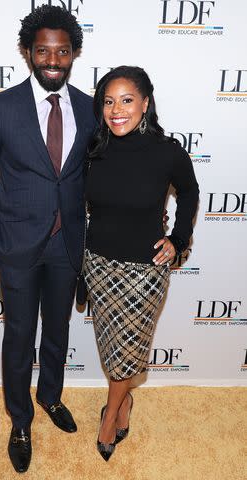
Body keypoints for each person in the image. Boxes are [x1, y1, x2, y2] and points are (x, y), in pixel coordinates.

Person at [0, 5, 96, 473]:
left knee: (58, 332)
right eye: (43, 50)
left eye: (63, 50)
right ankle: (20, 420)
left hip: (68, 246)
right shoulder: (1, 107)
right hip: (16, 246)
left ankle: (51, 397)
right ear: (28, 52)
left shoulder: (88, 106)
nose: (53, 59)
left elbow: (95, 176)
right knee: (20, 337)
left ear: (74, 52)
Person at [84, 66, 199, 461]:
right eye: (109, 101)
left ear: (145, 103)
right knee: (111, 346)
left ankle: (111, 412)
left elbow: (190, 190)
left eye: (127, 100)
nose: (117, 110)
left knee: (127, 351)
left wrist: (179, 239)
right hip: (97, 264)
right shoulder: (93, 148)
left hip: (144, 271)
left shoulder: (167, 151)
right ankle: (125, 403)